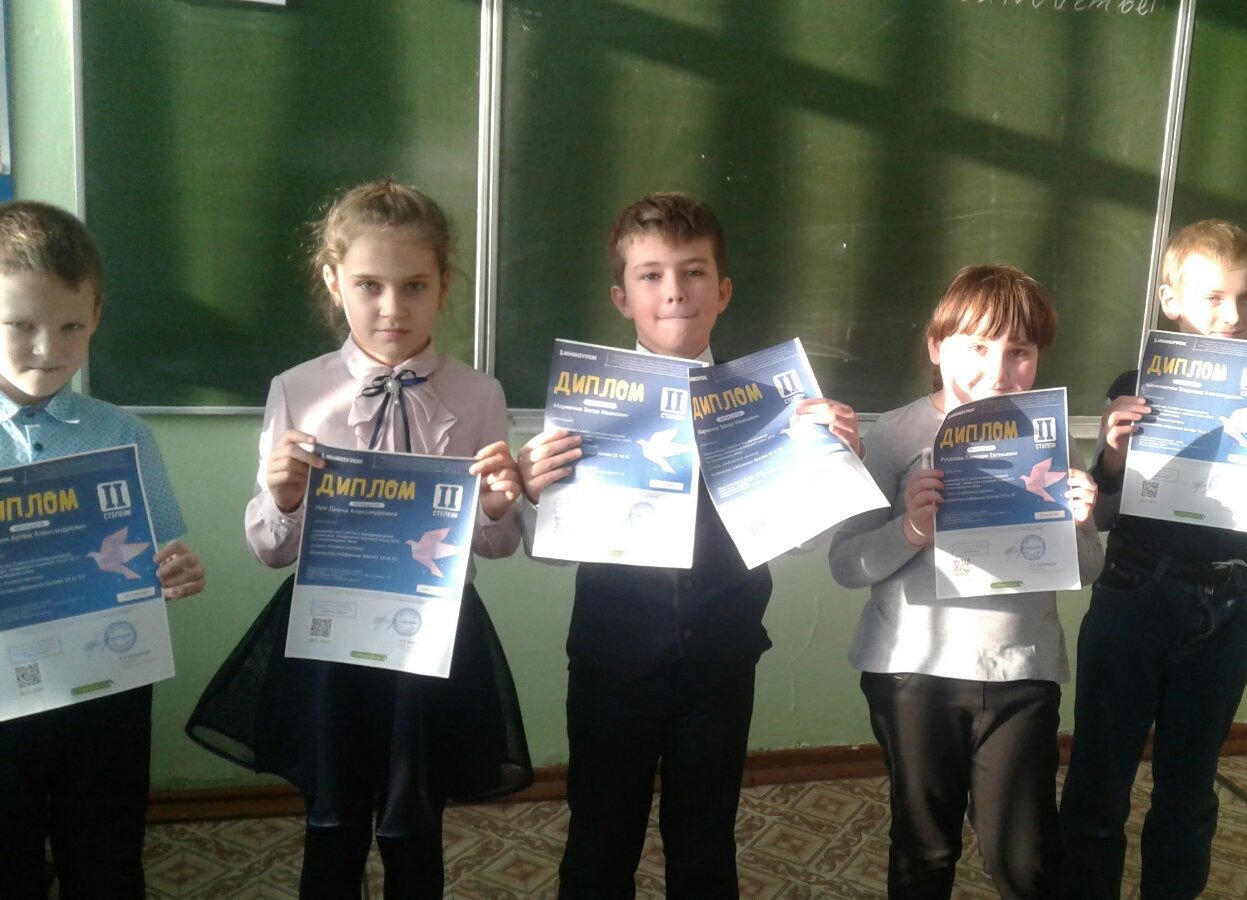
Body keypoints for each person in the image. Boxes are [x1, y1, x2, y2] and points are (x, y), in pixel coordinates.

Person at [186, 180, 531, 899]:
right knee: (333, 823)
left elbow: (495, 548)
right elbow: (269, 549)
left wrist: (499, 507)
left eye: (414, 286)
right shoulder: (297, 389)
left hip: (430, 638)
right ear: (332, 280)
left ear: (444, 285)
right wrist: (284, 498)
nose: (392, 308)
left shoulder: (480, 395)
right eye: (369, 285)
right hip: (327, 640)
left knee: (415, 824)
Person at [517, 191, 862, 899]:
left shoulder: (769, 405)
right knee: (599, 839)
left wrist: (827, 468)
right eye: (650, 275)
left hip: (721, 660)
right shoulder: (585, 405)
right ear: (622, 298)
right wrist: (532, 492)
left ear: (723, 290)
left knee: (705, 842)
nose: (674, 291)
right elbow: (549, 552)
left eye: (694, 272)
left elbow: (795, 545)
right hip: (612, 660)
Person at [828, 264, 1104, 899]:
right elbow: (845, 564)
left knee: (1026, 860)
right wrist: (910, 529)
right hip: (912, 674)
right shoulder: (895, 434)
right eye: (976, 347)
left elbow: (1088, 568)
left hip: (1020, 671)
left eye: (1019, 352)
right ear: (936, 346)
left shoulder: (1050, 436)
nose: (997, 371)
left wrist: (1080, 523)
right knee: (924, 849)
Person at [1058, 219, 1247, 898]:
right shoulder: (1134, 385)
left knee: (1189, 789)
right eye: (1213, 298)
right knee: (1099, 778)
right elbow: (1102, 516)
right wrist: (1112, 457)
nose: (1232, 315)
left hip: (1224, 602)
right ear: (1170, 301)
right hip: (1131, 591)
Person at [0, 200, 206, 898]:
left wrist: (175, 572)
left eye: (70, 326)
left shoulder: (122, 433)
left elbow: (157, 555)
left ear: (96, 317)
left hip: (104, 689)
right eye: (20, 325)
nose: (47, 349)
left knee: (106, 857)